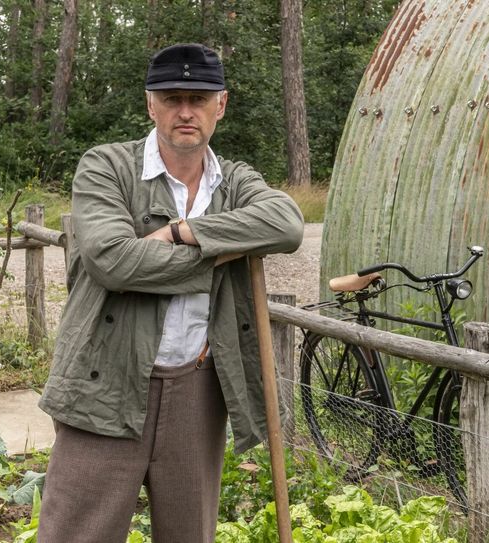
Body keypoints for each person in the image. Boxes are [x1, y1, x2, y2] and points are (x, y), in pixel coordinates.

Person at [36, 43, 304, 543]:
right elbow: (113, 260)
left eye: (199, 99)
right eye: (173, 97)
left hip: (198, 391)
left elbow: (287, 225)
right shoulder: (106, 167)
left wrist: (183, 234)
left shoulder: (236, 181)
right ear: (150, 103)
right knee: (75, 534)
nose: (186, 111)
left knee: (189, 535)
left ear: (220, 105)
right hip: (103, 383)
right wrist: (221, 255)